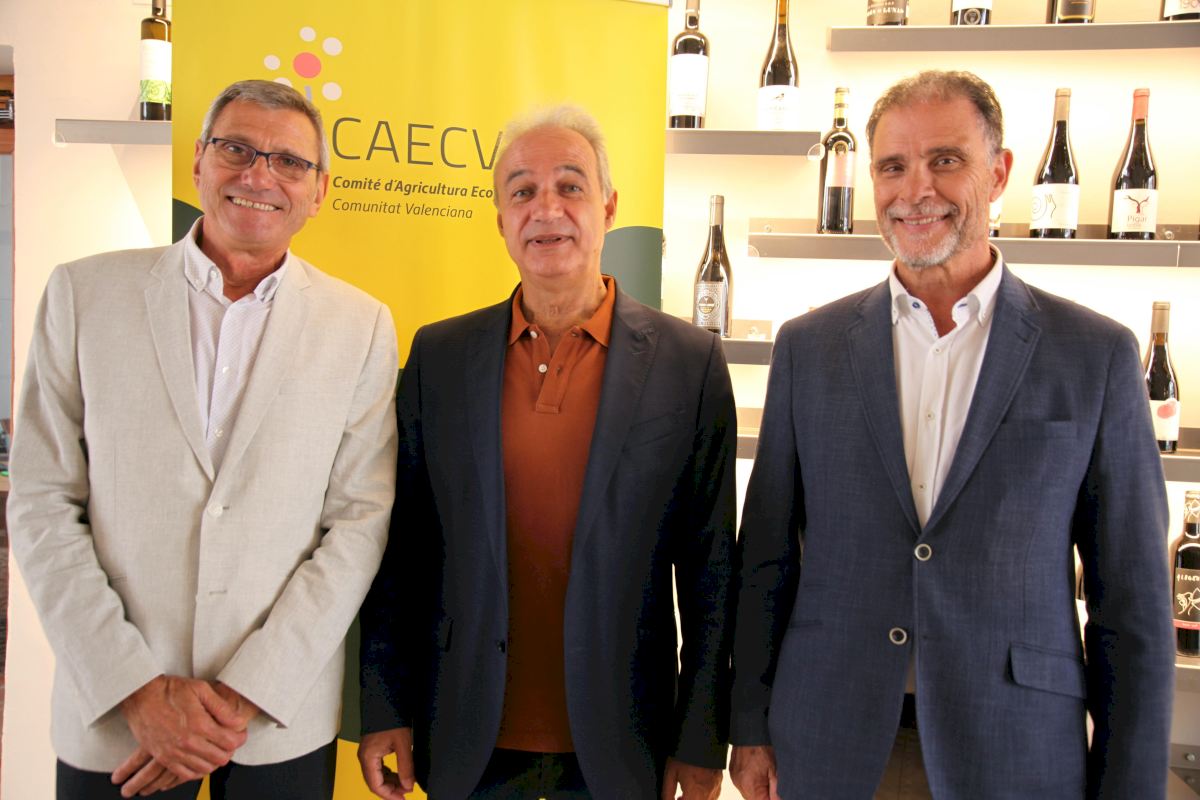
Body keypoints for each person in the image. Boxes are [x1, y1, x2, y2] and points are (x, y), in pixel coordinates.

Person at [728, 70, 1174, 799]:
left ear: (998, 174)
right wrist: (749, 722)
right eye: (892, 167)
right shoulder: (809, 349)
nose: (916, 190)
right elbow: (766, 560)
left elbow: (1133, 607)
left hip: (1014, 747)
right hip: (832, 740)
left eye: (945, 160)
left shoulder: (1094, 355)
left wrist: (1129, 786)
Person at [8, 79, 399, 800]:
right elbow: (40, 502)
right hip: (118, 721)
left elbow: (358, 524)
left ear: (319, 190)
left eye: (289, 162)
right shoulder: (83, 296)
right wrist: (135, 689)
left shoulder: (361, 326)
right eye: (236, 149)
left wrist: (246, 693)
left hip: (275, 720)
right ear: (198, 161)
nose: (259, 176)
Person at [357, 104, 736, 800]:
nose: (546, 209)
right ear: (501, 219)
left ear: (609, 206)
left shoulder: (689, 363)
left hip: (625, 743)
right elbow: (401, 549)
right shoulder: (439, 356)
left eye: (570, 186)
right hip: (465, 736)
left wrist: (700, 736)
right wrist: (384, 705)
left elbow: (711, 570)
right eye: (523, 191)